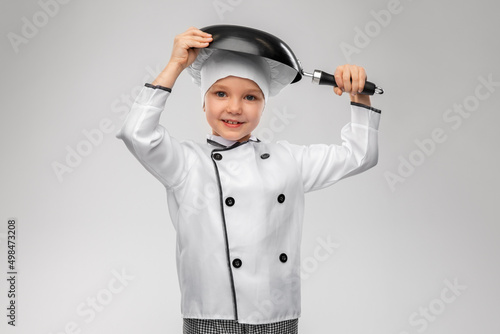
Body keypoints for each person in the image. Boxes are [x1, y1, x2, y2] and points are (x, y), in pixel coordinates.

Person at [117, 26, 381, 334]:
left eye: (251, 97)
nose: (234, 108)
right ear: (203, 101)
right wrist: (174, 65)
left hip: (276, 315)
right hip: (209, 314)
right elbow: (136, 133)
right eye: (220, 94)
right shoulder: (186, 162)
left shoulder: (288, 161)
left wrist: (358, 93)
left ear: (264, 105)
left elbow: (361, 155)